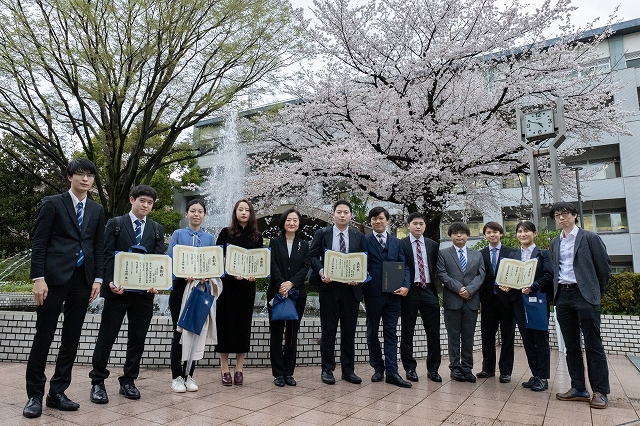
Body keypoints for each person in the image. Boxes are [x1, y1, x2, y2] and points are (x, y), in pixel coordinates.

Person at [24, 159, 105, 418]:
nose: (85, 179)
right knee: (44, 336)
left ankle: (57, 392)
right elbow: (39, 242)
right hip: (53, 279)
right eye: (80, 174)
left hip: (82, 280)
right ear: (69, 177)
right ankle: (35, 395)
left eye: (90, 175)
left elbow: (97, 246)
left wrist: (98, 279)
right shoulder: (52, 203)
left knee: (71, 338)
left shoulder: (96, 209)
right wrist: (38, 278)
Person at [89, 185, 165, 403]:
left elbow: (157, 261)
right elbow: (105, 256)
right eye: (142, 200)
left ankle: (129, 380)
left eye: (150, 203)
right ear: (132, 200)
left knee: (137, 340)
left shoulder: (156, 229)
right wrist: (110, 281)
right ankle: (97, 381)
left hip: (143, 295)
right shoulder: (116, 224)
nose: (146, 206)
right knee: (107, 336)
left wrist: (155, 283)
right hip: (117, 292)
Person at [550, 202, 612, 409]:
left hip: (584, 296)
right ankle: (578, 388)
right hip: (563, 297)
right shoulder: (555, 242)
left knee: (594, 345)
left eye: (565, 213)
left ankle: (600, 392)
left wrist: (594, 292)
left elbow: (603, 267)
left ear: (575, 215)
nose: (561, 218)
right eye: (557, 215)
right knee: (571, 346)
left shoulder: (590, 238)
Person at [309, 199, 367, 385]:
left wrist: (359, 277)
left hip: (351, 290)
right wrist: (321, 271)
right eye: (339, 212)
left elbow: (365, 261)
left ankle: (348, 371)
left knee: (349, 332)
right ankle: (327, 369)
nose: (342, 215)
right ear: (333, 214)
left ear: (351, 215)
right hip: (329, 288)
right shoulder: (323, 233)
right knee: (328, 331)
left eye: (346, 212)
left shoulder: (359, 236)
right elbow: (312, 255)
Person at [168, 199, 217, 392]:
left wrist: (208, 277)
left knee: (195, 331)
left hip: (200, 290)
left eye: (200, 211)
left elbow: (215, 266)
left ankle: (189, 375)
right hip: (181, 288)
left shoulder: (209, 239)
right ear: (186, 214)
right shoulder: (178, 235)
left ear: (204, 215)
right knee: (179, 331)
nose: (196, 214)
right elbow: (170, 260)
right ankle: (176, 376)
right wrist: (181, 273)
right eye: (192, 211)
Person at [216, 198, 263, 386]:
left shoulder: (257, 236)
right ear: (235, 213)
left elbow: (260, 261)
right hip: (227, 286)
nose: (243, 213)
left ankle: (239, 369)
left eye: (247, 210)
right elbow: (217, 258)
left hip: (246, 288)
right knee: (225, 325)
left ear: (251, 214)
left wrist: (254, 275)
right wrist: (230, 270)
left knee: (243, 326)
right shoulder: (225, 233)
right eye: (240, 209)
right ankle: (224, 368)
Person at [364, 207, 412, 388]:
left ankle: (392, 372)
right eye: (374, 219)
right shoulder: (364, 240)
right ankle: (378, 367)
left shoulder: (396, 242)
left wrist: (406, 286)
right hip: (372, 294)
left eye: (381, 218)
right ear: (371, 221)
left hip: (394, 295)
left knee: (391, 333)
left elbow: (404, 266)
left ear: (387, 221)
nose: (378, 221)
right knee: (372, 332)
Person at [437, 222, 485, 383]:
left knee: (468, 337)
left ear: (467, 235)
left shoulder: (477, 255)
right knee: (453, 336)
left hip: (471, 301)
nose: (459, 236)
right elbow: (442, 274)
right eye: (455, 233)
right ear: (450, 236)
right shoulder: (443, 253)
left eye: (462, 233)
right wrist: (459, 289)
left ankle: (467, 368)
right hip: (453, 301)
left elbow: (481, 275)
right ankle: (455, 368)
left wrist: (469, 290)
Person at [508, 222, 553, 392]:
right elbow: (510, 275)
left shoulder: (543, 254)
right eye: (519, 231)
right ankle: (535, 374)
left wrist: (533, 286)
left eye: (526, 231)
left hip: (537, 300)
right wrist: (506, 285)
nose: (522, 234)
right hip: (519, 301)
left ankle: (543, 377)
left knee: (540, 338)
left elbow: (549, 275)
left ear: (534, 233)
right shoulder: (514, 254)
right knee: (527, 339)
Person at [267, 208, 310, 387]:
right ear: (283, 222)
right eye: (288, 220)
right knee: (276, 333)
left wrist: (291, 284)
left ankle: (288, 372)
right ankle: (278, 373)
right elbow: (272, 264)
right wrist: (281, 284)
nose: (291, 223)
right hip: (277, 293)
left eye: (295, 220)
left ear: (299, 224)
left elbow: (306, 266)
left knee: (292, 334)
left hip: (296, 294)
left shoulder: (304, 245)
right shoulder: (275, 242)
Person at [400, 212, 442, 383]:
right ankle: (410, 368)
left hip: (429, 290)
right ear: (408, 225)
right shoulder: (401, 244)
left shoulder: (433, 245)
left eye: (421, 224)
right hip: (410, 291)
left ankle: (433, 369)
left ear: (425, 226)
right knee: (407, 331)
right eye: (415, 223)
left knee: (433, 332)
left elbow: (437, 267)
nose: (418, 226)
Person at [477, 222, 516, 383]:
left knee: (508, 336)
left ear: (501, 233)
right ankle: (488, 369)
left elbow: (516, 274)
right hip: (487, 301)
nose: (492, 235)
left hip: (507, 300)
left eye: (495, 232)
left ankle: (505, 371)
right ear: (485, 235)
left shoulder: (512, 252)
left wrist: (511, 287)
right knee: (487, 336)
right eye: (488, 232)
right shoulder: (480, 254)